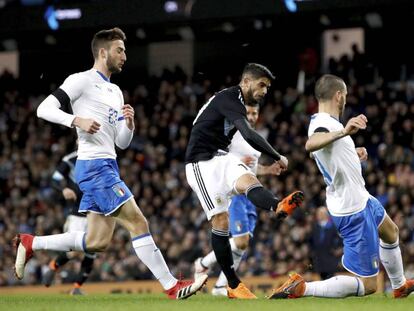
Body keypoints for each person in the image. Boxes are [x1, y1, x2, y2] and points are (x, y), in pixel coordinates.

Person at [13, 27, 207, 299]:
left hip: (107, 163)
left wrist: (130, 124)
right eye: (120, 50)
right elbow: (43, 109)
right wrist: (75, 120)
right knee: (138, 222)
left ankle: (31, 242)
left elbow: (122, 142)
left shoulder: (115, 91)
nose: (125, 55)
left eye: (125, 50)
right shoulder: (80, 80)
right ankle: (172, 287)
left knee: (96, 242)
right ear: (103, 52)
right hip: (94, 167)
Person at [269, 74, 414, 299]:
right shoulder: (323, 124)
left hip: (360, 196)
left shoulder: (327, 123)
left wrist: (353, 154)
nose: (345, 100)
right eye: (344, 96)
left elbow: (324, 154)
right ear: (338, 96)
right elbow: (311, 144)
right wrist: (345, 132)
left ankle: (399, 286)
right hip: (353, 207)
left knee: (390, 232)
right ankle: (303, 288)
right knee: (369, 285)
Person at [185, 63, 304, 299]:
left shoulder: (237, 103)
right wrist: (278, 155)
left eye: (267, 87)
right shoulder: (228, 98)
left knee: (247, 179)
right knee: (221, 221)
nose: (264, 91)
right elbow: (249, 135)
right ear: (246, 81)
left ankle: (277, 205)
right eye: (262, 85)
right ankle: (232, 284)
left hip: (221, 156)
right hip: (200, 163)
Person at [193, 101, 283, 296]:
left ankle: (220, 287)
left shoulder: (255, 139)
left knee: (243, 244)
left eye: (254, 113)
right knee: (240, 241)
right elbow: (217, 158)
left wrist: (268, 170)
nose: (251, 117)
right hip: (233, 193)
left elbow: (252, 168)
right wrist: (235, 163)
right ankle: (202, 263)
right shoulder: (232, 134)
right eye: (248, 113)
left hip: (250, 194)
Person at [42, 150, 96, 295]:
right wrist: (64, 188)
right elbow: (55, 179)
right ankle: (53, 266)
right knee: (74, 252)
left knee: (92, 252)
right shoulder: (70, 160)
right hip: (78, 214)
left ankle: (77, 288)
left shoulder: (101, 155)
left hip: (97, 214)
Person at [309, 206, 342, 280]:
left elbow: (341, 240)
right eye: (318, 213)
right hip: (319, 258)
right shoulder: (315, 227)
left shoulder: (333, 226)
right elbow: (311, 241)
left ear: (325, 214)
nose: (318, 215)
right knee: (322, 279)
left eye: (320, 213)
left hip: (331, 257)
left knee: (331, 278)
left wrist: (340, 249)